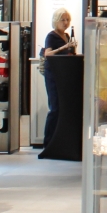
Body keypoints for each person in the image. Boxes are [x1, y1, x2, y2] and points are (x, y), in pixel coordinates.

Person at [40, 9, 76, 147]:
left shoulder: (66, 35)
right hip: (53, 75)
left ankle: (59, 140)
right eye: (63, 20)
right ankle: (48, 142)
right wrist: (64, 47)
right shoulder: (51, 36)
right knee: (55, 108)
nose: (66, 23)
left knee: (63, 107)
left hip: (64, 74)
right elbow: (48, 54)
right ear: (56, 20)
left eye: (68, 20)